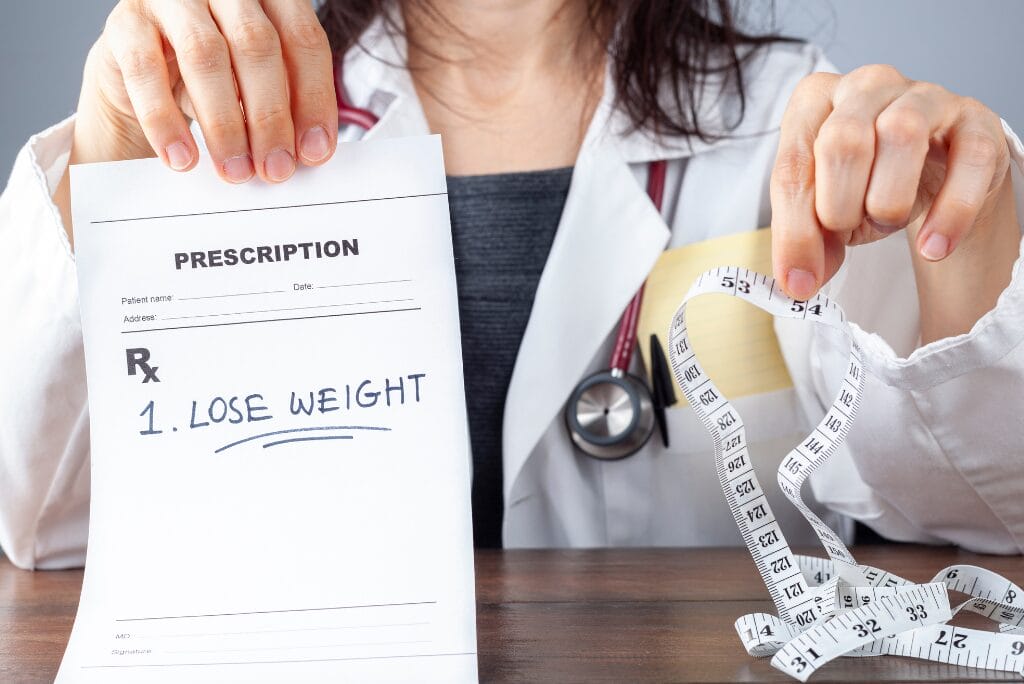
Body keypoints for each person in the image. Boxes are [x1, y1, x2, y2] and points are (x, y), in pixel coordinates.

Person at [0, 0, 1021, 568]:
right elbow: (48, 531)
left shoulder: (802, 127)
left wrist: (969, 235)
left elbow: (978, 518)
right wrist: (111, 176)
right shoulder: (206, 111)